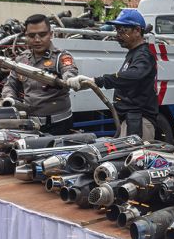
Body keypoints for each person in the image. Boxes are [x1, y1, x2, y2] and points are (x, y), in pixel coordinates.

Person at [66, 9, 158, 141]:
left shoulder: (143, 55)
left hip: (138, 122)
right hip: (130, 120)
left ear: (137, 30)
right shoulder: (135, 53)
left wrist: (96, 81)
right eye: (117, 30)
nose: (117, 35)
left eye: (122, 31)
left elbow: (134, 75)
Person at [1, 14, 78, 135]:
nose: (37, 40)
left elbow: (69, 71)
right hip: (30, 124)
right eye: (32, 36)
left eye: (42, 35)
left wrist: (69, 80)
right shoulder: (21, 60)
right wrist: (9, 98)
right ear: (26, 36)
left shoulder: (61, 57)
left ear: (51, 34)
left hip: (59, 125)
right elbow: (10, 85)